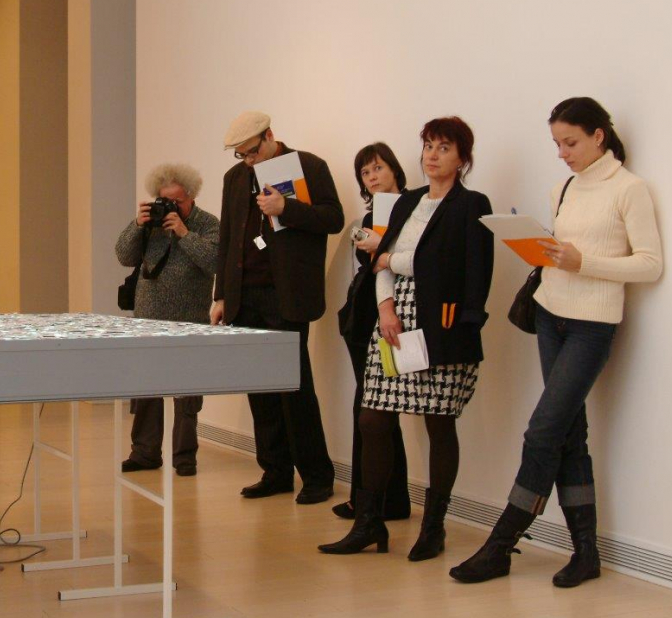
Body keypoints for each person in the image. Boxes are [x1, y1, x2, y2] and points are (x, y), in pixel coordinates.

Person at [450, 97, 663, 586]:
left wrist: (582, 261)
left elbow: (650, 264)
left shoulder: (629, 190)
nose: (562, 153)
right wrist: (539, 248)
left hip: (592, 325)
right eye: (556, 144)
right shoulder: (562, 188)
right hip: (550, 316)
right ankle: (586, 553)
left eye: (570, 143)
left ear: (598, 136)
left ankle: (501, 543)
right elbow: (559, 255)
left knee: (543, 431)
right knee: (569, 434)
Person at [320, 117, 493, 559]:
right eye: (428, 146)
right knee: (373, 419)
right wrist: (385, 306)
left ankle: (433, 527)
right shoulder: (406, 202)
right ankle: (369, 522)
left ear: (463, 158)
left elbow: (449, 266)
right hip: (394, 319)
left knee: (439, 422)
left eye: (444, 148)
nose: (432, 155)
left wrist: (392, 260)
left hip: (442, 325)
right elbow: (378, 260)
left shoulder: (471, 204)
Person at [211, 110, 344, 505]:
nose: (248, 160)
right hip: (244, 295)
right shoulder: (235, 178)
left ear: (270, 136)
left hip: (286, 294)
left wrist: (287, 209)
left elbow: (333, 218)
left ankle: (317, 476)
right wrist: (221, 295)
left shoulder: (309, 167)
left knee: (295, 389)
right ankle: (275, 471)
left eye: (252, 151)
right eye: (241, 155)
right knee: (260, 390)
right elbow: (227, 236)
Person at [115, 163, 219, 477]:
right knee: (146, 391)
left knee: (187, 396)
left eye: (177, 201)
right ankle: (144, 453)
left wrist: (184, 234)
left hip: (189, 323)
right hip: (147, 321)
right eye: (165, 200)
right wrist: (138, 224)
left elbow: (215, 261)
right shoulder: (152, 223)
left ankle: (184, 458)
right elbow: (123, 256)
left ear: (191, 197)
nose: (171, 207)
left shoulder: (207, 223)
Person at [333, 143, 412, 522]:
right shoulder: (366, 217)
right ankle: (378, 499)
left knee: (377, 409)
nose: (373, 177)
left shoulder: (414, 209)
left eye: (378, 168)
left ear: (394, 169)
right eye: (365, 172)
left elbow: (403, 261)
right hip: (362, 315)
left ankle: (377, 500)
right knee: (369, 409)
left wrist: (381, 248)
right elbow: (364, 269)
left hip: (394, 315)